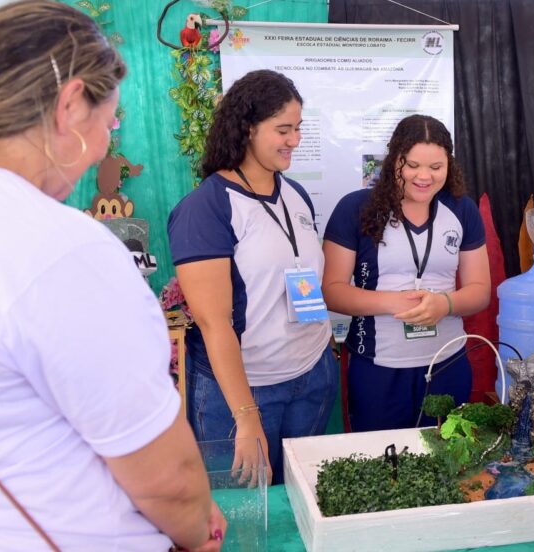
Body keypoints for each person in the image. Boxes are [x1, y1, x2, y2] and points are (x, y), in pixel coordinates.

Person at [0, 0, 223, 551]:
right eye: (110, 121)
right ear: (71, 105)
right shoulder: (60, 249)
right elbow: (167, 479)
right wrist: (197, 534)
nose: (104, 143)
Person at [168, 69, 336, 485]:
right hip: (245, 393)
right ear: (247, 129)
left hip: (311, 376)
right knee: (243, 519)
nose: (294, 140)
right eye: (282, 129)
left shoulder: (295, 194)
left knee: (301, 503)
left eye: (298, 128)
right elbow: (213, 322)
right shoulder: (205, 208)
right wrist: (245, 417)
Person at [322, 114, 491, 432]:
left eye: (436, 167)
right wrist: (394, 303)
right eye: (412, 165)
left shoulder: (461, 210)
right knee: (381, 468)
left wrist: (445, 305)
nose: (423, 176)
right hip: (378, 369)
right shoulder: (356, 208)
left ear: (449, 165)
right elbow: (331, 289)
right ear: (394, 160)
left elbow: (480, 289)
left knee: (447, 465)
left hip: (447, 364)